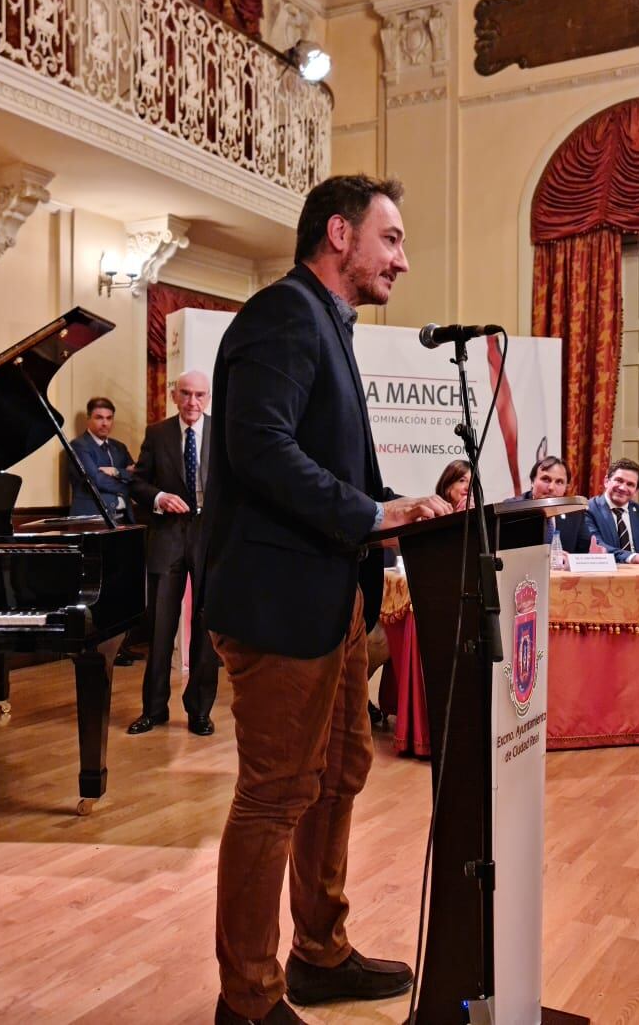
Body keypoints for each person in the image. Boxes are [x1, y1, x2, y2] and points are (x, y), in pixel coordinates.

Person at [201, 174, 452, 1025]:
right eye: (391, 240)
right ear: (339, 235)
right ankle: (247, 998)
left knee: (339, 772)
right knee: (274, 793)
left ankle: (318, 951)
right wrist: (368, 511)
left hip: (333, 595)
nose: (403, 260)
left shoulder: (327, 324)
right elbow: (259, 447)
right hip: (278, 603)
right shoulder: (282, 313)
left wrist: (403, 507)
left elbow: (340, 468)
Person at [128, 370, 217, 735]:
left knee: (206, 629)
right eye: (185, 394)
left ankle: (199, 711)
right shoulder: (158, 433)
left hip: (209, 539)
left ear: (208, 398)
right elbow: (136, 482)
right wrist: (160, 498)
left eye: (199, 395)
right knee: (161, 627)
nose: (192, 402)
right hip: (167, 537)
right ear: (174, 394)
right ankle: (153, 709)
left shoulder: (221, 431)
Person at [67, 396, 135, 524]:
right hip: (93, 520)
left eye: (109, 418)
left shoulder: (120, 447)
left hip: (125, 519)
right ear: (88, 419)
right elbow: (96, 479)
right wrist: (127, 485)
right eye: (99, 418)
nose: (105, 423)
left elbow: (136, 475)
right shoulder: (78, 446)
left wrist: (116, 472)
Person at [583, 457, 639, 563]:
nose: (623, 488)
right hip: (605, 573)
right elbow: (597, 546)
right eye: (619, 480)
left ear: (636, 491)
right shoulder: (588, 509)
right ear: (606, 481)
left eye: (630, 484)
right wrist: (633, 557)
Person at [505, 454, 588, 553]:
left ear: (566, 487)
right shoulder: (511, 509)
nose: (551, 487)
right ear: (532, 481)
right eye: (546, 479)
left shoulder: (575, 514)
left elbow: (585, 552)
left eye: (559, 482)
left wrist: (570, 561)